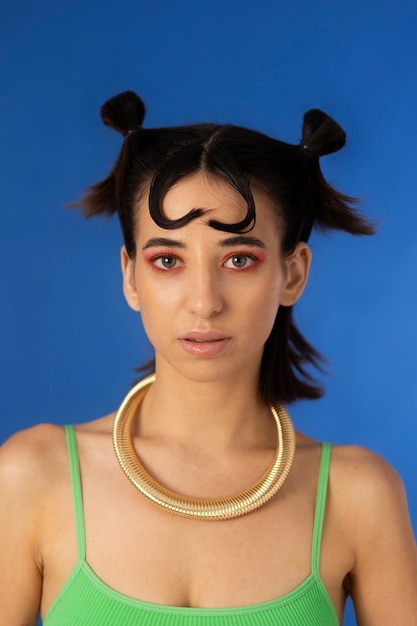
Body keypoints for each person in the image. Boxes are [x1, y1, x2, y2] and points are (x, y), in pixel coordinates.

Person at [1, 91, 416, 626]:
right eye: (167, 260)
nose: (204, 301)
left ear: (292, 273)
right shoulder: (31, 475)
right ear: (131, 276)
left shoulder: (359, 495)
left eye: (239, 259)